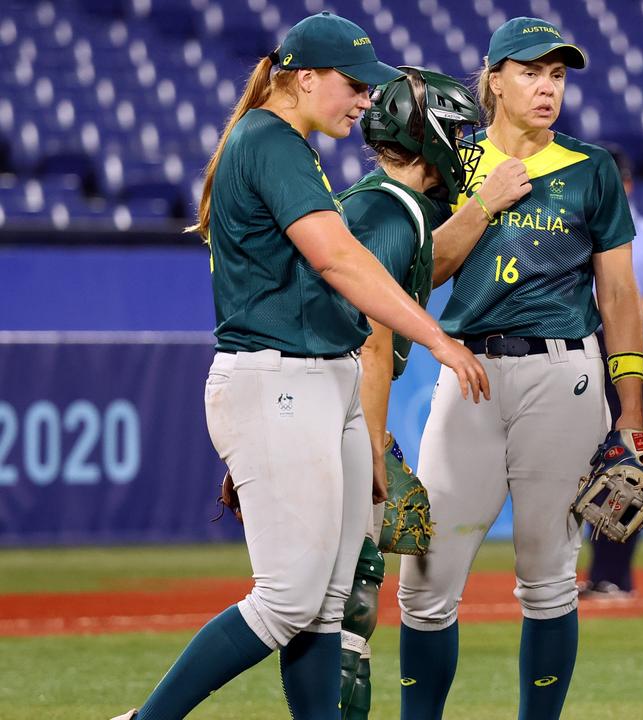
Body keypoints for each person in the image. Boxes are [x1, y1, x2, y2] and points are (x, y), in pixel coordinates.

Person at [111, 12, 487, 720]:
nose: (364, 100)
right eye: (353, 84)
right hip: (279, 379)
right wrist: (437, 338)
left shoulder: (284, 142)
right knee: (288, 599)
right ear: (305, 78)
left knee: (325, 600)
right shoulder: (272, 139)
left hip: (316, 380)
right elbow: (339, 260)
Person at [395, 17, 643, 720]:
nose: (547, 87)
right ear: (495, 79)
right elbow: (422, 271)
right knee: (426, 580)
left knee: (548, 579)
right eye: (532, 72)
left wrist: (629, 412)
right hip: (468, 369)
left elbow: (619, 293)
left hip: (563, 373)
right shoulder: (455, 162)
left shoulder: (591, 168)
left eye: (558, 75)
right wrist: (482, 202)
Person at [332, 67, 531, 720]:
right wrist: (376, 445)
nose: (468, 147)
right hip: (330, 407)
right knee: (323, 611)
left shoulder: (391, 207)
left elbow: (424, 260)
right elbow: (372, 341)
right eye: (460, 132)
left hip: (318, 402)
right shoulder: (389, 211)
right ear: (433, 135)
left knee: (326, 609)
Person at [579, 144, 643, 600]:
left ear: (627, 185)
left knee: (627, 460)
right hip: (578, 348)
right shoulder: (575, 227)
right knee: (579, 459)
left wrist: (617, 307)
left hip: (632, 348)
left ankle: (614, 573)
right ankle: (586, 571)